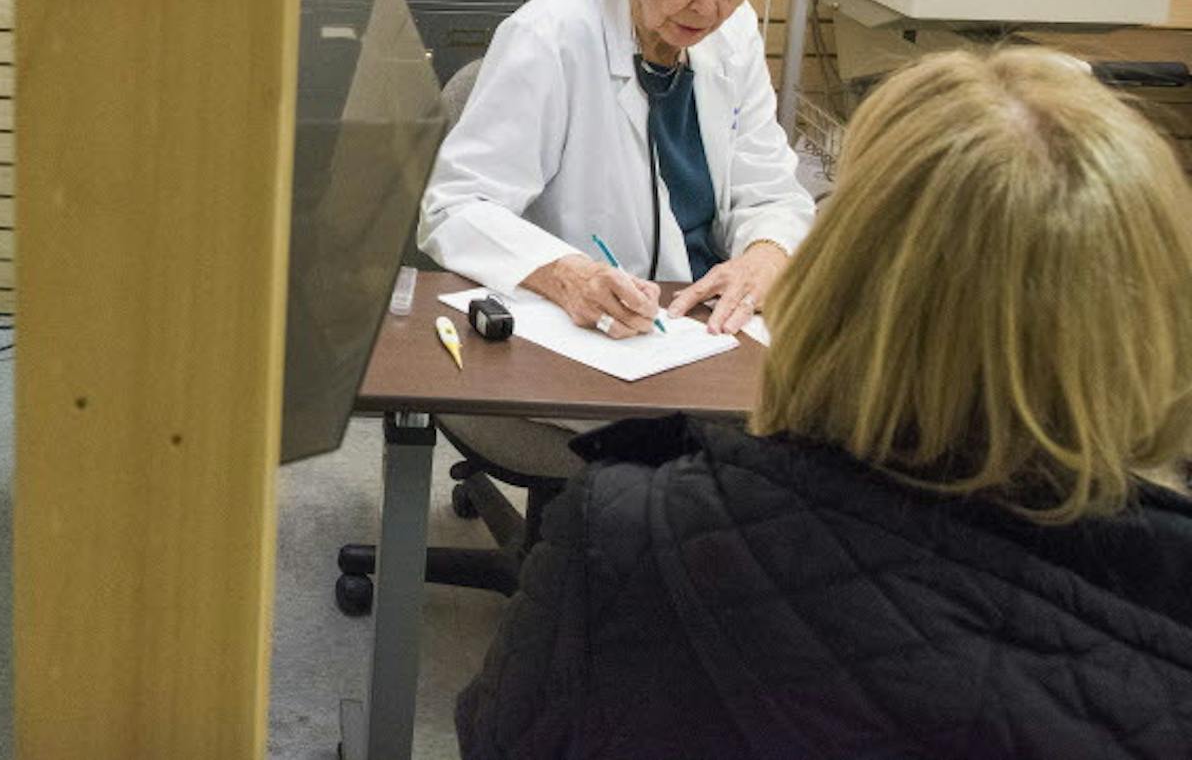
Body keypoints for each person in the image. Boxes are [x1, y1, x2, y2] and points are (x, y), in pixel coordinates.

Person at [457, 48, 1192, 758]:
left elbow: (502, 734)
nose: (706, 7)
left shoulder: (630, 533)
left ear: (841, 278)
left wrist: (767, 248)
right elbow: (460, 199)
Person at [420, 0, 814, 339]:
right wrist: (567, 275)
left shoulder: (734, 36)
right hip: (596, 333)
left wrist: (766, 255)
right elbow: (455, 209)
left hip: (711, 326)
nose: (708, 8)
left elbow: (770, 191)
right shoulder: (552, 37)